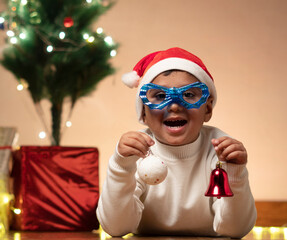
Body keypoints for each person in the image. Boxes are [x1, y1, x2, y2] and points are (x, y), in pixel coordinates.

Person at [96, 47, 256, 238]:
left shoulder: (219, 152)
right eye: (160, 96)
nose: (174, 105)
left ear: (208, 108)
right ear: (143, 113)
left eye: (189, 95)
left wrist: (236, 175)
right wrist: (121, 166)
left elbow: (236, 230)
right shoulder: (136, 152)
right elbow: (115, 228)